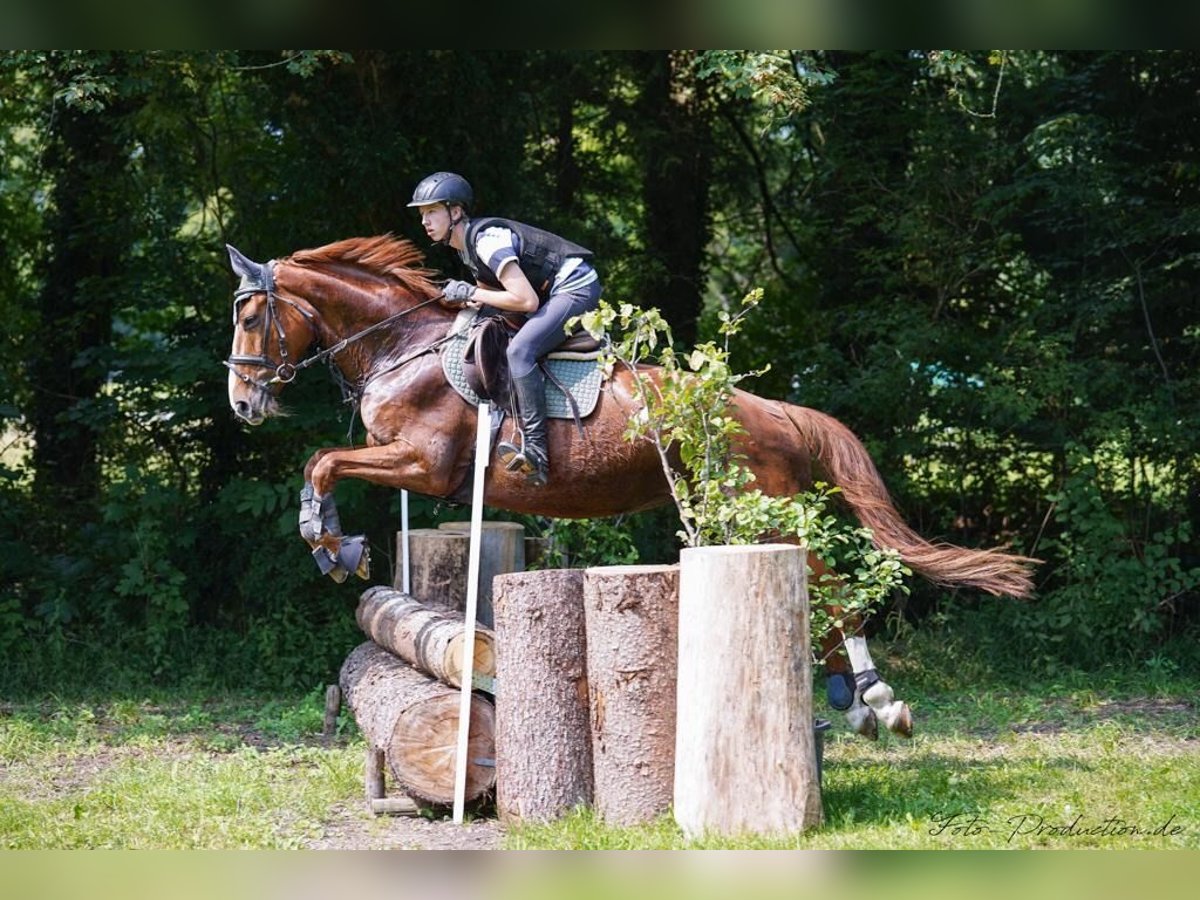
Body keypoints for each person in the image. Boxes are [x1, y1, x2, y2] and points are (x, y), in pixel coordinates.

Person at [407, 171, 601, 486]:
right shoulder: (465, 247)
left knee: (520, 351)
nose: (424, 221)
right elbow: (498, 296)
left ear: (455, 212)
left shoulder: (486, 241)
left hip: (576, 287)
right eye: (422, 214)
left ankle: (537, 451)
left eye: (431, 212)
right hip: (550, 291)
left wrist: (472, 293)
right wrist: (472, 300)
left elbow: (526, 301)